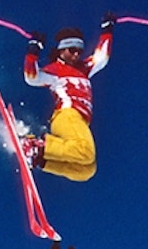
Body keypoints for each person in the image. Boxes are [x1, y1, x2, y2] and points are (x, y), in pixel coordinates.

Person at [20, 13, 115, 182]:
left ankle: (40, 160)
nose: (76, 55)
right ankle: (37, 146)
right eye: (72, 50)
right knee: (86, 150)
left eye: (79, 51)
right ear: (61, 50)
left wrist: (107, 30)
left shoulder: (84, 69)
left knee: (87, 169)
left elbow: (101, 58)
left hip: (79, 123)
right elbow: (31, 77)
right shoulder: (55, 70)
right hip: (67, 115)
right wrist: (33, 50)